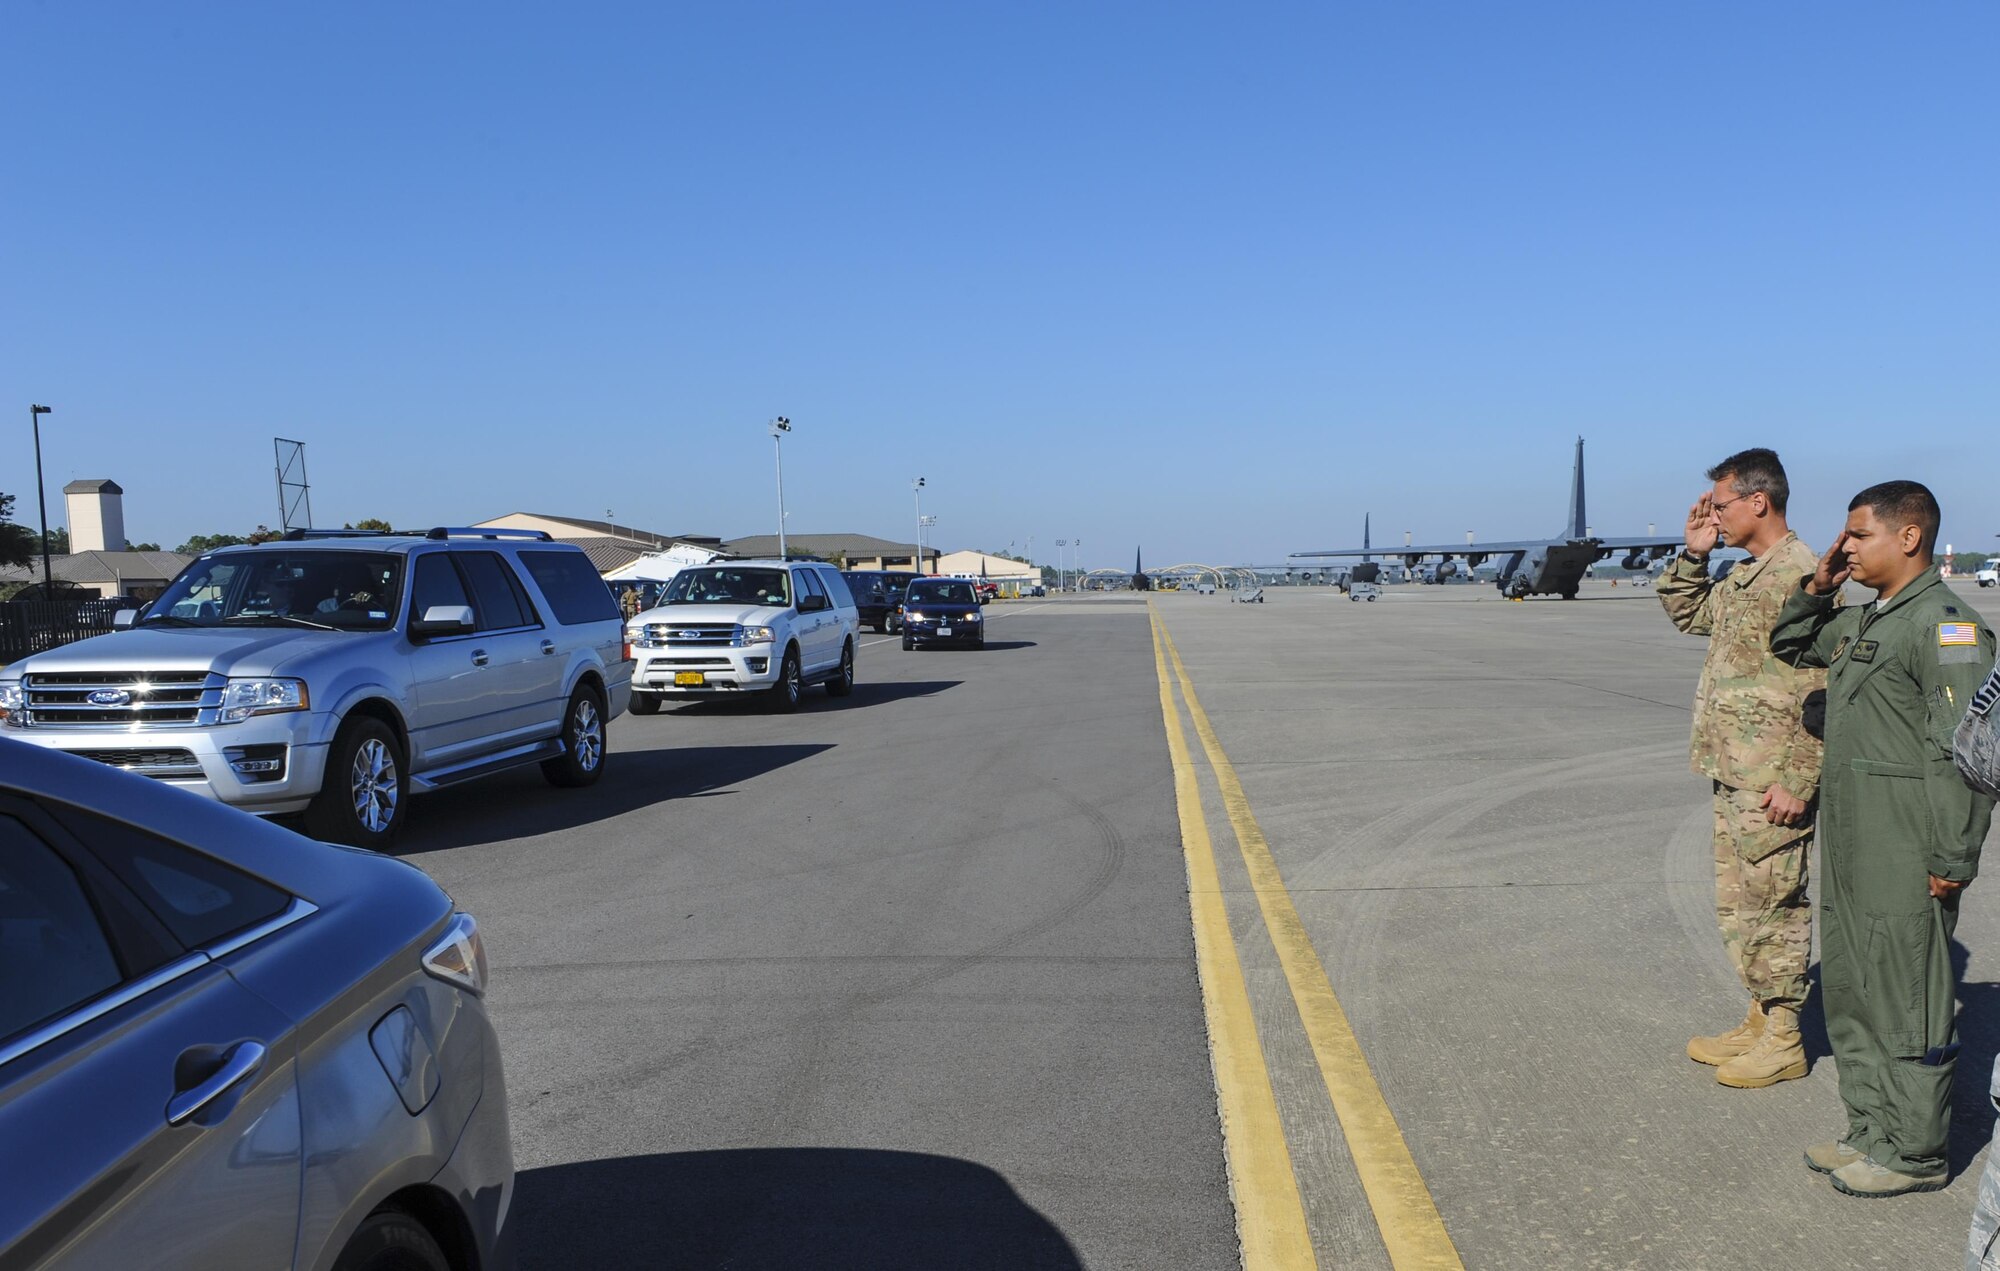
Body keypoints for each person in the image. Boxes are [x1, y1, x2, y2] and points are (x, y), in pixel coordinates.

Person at [1771, 480, 1996, 1197]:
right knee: (1854, 984)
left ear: (1908, 536)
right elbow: (1792, 639)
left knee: (1907, 991)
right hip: (1855, 836)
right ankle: (1871, 1127)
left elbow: (1968, 756)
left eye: (1858, 535)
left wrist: (1953, 855)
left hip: (1907, 842)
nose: (1847, 546)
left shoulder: (1947, 628)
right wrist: (1820, 581)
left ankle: (1916, 1150)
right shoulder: (1872, 620)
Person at [1658, 448, 1829, 1088]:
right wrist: (1695, 554)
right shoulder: (1747, 574)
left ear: (1759, 501)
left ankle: (1785, 1039)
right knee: (1740, 906)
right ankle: (1760, 1017)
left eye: (1722, 504)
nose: (1715, 514)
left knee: (1776, 904)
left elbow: (1822, 690)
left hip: (1773, 778)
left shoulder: (1805, 578)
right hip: (1735, 767)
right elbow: (1690, 615)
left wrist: (1799, 780)